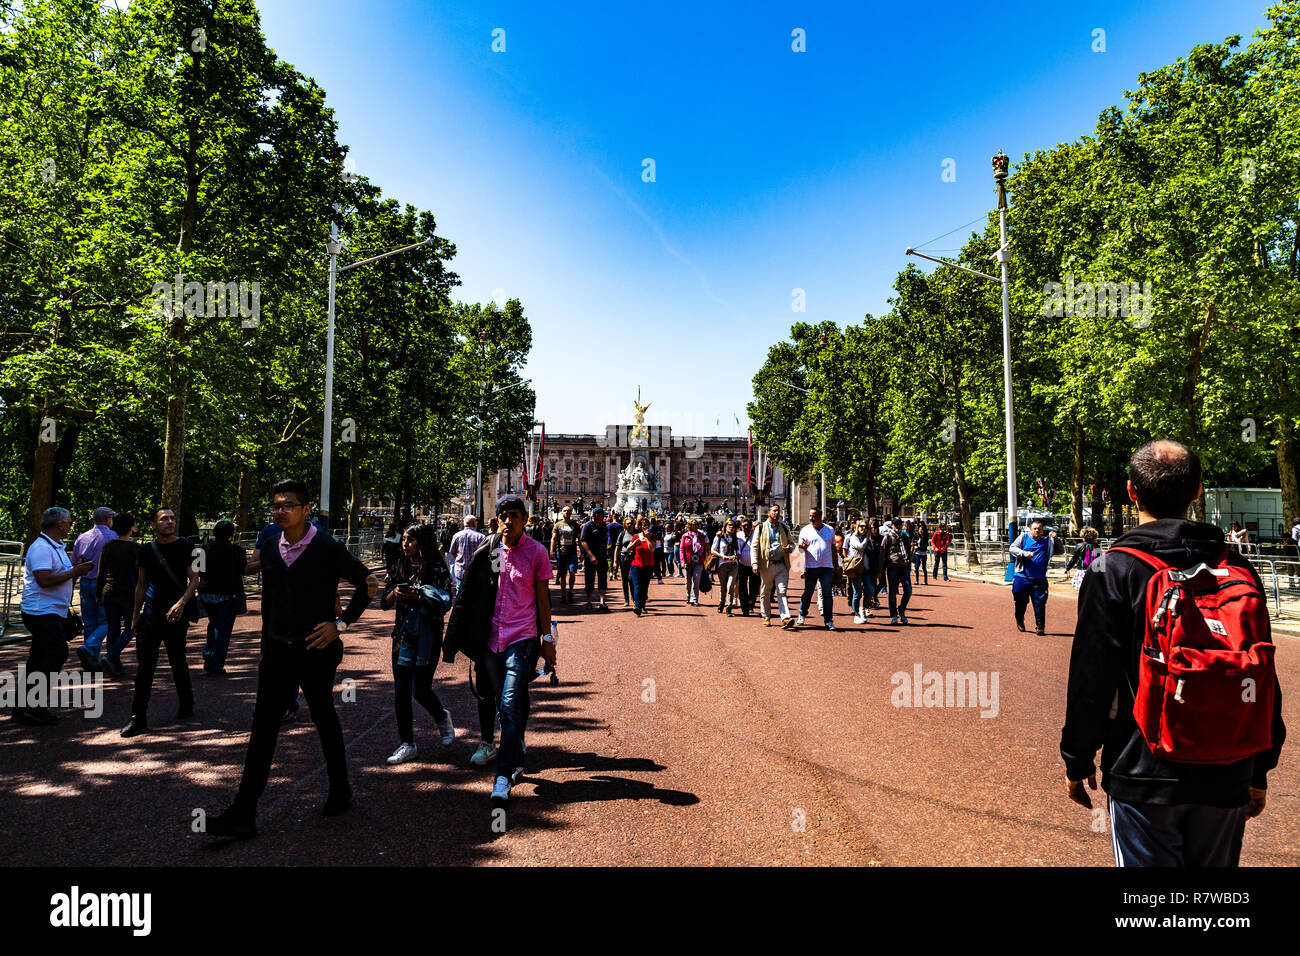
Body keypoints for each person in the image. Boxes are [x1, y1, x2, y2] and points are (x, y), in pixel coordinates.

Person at [1060, 439, 1286, 867]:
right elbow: (1262, 675)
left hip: (1143, 767)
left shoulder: (1114, 568)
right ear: (1198, 490)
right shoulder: (1235, 566)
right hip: (1229, 764)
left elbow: (1092, 678)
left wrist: (1077, 757)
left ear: (1131, 491)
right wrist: (1260, 768)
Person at [206, 480, 374, 839]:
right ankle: (244, 812)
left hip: (315, 649)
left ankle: (340, 789)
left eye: (288, 505)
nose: (280, 511)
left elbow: (368, 583)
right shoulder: (268, 545)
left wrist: (340, 624)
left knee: (323, 716)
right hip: (276, 651)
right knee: (263, 727)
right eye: (276, 505)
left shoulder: (327, 546)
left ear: (306, 509)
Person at [442, 494, 553, 807]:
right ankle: (510, 751)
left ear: (524, 520)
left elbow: (543, 602)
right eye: (503, 515)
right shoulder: (491, 549)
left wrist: (548, 641)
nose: (508, 521)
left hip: (522, 636)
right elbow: (469, 594)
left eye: (514, 515)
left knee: (507, 703)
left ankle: (504, 775)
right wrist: (455, 638)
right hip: (491, 638)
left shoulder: (536, 552)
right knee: (495, 696)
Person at [120, 507, 200, 737]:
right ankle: (138, 717)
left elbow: (195, 579)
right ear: (153, 525)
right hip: (151, 615)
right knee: (145, 667)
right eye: (164, 519)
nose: (170, 522)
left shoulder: (188, 547)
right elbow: (141, 584)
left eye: (173, 518)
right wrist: (135, 615)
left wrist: (181, 604)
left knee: (178, 661)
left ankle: (186, 702)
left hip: (176, 616)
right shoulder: (145, 550)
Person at [381, 523, 456, 765]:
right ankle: (407, 744)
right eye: (404, 539)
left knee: (420, 689)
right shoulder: (399, 565)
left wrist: (420, 595)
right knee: (401, 692)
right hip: (402, 636)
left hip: (428, 635)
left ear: (423, 542)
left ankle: (441, 716)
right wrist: (396, 594)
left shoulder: (436, 566)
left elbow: (446, 600)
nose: (406, 544)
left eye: (411, 539)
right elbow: (384, 602)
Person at [14, 508, 93, 724]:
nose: (70, 525)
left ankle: (22, 708)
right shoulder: (41, 548)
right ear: (59, 525)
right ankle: (34, 706)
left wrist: (75, 570)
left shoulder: (54, 546)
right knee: (56, 653)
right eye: (68, 522)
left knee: (39, 657)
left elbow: (56, 576)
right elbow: (44, 580)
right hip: (41, 611)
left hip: (51, 610)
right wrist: (74, 572)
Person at [198, 520, 247, 675]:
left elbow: (196, 571)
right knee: (223, 630)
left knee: (213, 625)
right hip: (229, 595)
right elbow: (242, 570)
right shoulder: (238, 551)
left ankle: (208, 656)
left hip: (207, 593)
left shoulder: (202, 550)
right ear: (231, 535)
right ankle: (216, 664)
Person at [72, 506, 116, 671]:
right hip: (104, 584)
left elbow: (74, 562)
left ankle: (92, 659)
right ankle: (89, 647)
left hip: (85, 582)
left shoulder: (82, 537)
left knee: (89, 621)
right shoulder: (113, 537)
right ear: (107, 519)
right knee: (106, 621)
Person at [96, 513, 139, 678]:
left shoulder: (108, 546)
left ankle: (115, 664)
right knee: (130, 628)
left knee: (113, 628)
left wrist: (98, 593)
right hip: (128, 593)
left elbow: (101, 572)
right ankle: (111, 656)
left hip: (109, 591)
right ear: (131, 528)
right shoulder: (135, 549)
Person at [1009, 518, 1055, 635]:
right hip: (1022, 577)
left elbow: (1060, 550)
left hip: (1039, 579)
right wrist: (1025, 553)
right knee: (1020, 602)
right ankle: (1019, 619)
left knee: (1040, 603)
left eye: (1039, 529)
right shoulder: (1023, 538)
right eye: (1035, 529)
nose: (1037, 531)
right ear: (1030, 530)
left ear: (1042, 530)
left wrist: (1056, 539)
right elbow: (1012, 548)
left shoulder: (1047, 541)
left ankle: (1040, 626)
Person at [796, 508, 838, 630]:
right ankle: (802, 614)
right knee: (808, 593)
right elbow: (800, 549)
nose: (811, 518)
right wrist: (802, 547)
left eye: (814, 516)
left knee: (827, 594)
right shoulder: (805, 530)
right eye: (810, 516)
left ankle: (828, 620)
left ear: (820, 516)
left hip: (826, 567)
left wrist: (836, 566)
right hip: (811, 567)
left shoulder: (829, 530)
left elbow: (833, 548)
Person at [753, 505, 794, 628]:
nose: (776, 513)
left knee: (782, 591)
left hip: (781, 564)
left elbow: (792, 543)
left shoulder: (784, 528)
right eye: (774, 511)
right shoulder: (760, 528)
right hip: (766, 564)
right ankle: (766, 616)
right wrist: (754, 563)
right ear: (768, 512)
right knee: (765, 592)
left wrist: (789, 548)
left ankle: (785, 618)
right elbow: (754, 547)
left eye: (778, 511)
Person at [881, 517, 912, 625]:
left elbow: (908, 551)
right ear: (892, 525)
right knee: (893, 592)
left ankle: (901, 610)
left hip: (904, 566)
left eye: (900, 524)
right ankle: (893, 615)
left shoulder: (905, 537)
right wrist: (881, 570)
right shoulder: (887, 537)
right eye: (896, 524)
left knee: (908, 590)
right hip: (892, 566)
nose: (898, 526)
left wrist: (909, 564)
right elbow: (883, 554)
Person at [579, 507, 610, 612]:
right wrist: (590, 555)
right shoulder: (587, 526)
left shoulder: (603, 526)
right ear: (597, 515)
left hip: (602, 556)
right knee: (589, 579)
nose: (604, 517)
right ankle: (589, 601)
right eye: (602, 515)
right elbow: (583, 541)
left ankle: (602, 601)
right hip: (590, 557)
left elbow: (605, 538)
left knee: (602, 579)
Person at [844, 518, 874, 626]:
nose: (863, 528)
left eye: (865, 527)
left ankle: (863, 608)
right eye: (861, 526)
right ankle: (856, 614)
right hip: (856, 569)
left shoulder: (868, 539)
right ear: (857, 527)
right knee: (857, 593)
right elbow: (860, 547)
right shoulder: (853, 537)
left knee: (870, 591)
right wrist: (867, 538)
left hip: (865, 569)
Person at [624, 517, 656, 615]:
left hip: (648, 564)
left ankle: (643, 605)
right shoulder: (635, 536)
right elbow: (628, 548)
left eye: (647, 525)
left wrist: (648, 538)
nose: (646, 527)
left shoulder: (652, 536)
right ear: (640, 527)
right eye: (644, 525)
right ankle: (638, 606)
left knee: (644, 586)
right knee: (637, 586)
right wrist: (634, 543)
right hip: (636, 564)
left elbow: (652, 549)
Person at [550, 506, 582, 604]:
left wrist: (581, 551)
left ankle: (571, 591)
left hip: (572, 552)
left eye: (569, 511)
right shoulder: (558, 525)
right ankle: (563, 594)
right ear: (562, 513)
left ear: (571, 512)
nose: (567, 512)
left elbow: (579, 539)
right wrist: (552, 551)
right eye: (565, 511)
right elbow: (554, 538)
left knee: (572, 573)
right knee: (563, 575)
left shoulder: (575, 525)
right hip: (561, 552)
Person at [711, 518, 741, 615]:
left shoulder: (736, 539)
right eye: (729, 525)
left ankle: (729, 607)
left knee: (730, 586)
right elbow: (713, 550)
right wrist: (722, 556)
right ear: (725, 527)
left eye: (733, 526)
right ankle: (722, 603)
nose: (731, 527)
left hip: (733, 565)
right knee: (723, 586)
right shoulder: (719, 537)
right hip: (722, 565)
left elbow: (739, 553)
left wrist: (735, 556)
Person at [448, 516, 485, 590]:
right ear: (474, 523)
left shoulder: (457, 536)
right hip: (476, 572)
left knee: (460, 592)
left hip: (460, 572)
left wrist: (460, 559)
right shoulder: (481, 537)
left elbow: (452, 552)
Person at [679, 518, 708, 607]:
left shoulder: (702, 535)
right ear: (689, 525)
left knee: (696, 581)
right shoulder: (685, 536)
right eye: (693, 524)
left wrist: (704, 560)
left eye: (696, 524)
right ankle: (688, 596)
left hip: (698, 561)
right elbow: (681, 549)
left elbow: (705, 549)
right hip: (688, 561)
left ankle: (694, 599)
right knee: (688, 581)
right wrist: (682, 561)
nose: (694, 526)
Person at [736, 517, 757, 616]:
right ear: (741, 527)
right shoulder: (738, 535)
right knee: (742, 587)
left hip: (755, 565)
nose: (747, 527)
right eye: (744, 526)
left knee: (754, 587)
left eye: (748, 525)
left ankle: (751, 604)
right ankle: (745, 608)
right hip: (742, 564)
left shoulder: (756, 535)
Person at [605, 513, 624, 580]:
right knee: (617, 559)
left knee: (610, 559)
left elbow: (606, 535)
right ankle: (614, 573)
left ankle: (610, 572)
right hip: (617, 543)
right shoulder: (620, 526)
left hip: (609, 542)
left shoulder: (608, 526)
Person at [911, 518, 929, 585]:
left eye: (921, 530)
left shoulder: (925, 538)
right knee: (916, 567)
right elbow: (914, 543)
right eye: (919, 530)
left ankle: (925, 581)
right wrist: (914, 545)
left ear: (923, 531)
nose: (920, 531)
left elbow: (925, 547)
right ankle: (917, 580)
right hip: (917, 554)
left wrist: (918, 547)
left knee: (924, 567)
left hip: (923, 554)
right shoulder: (916, 536)